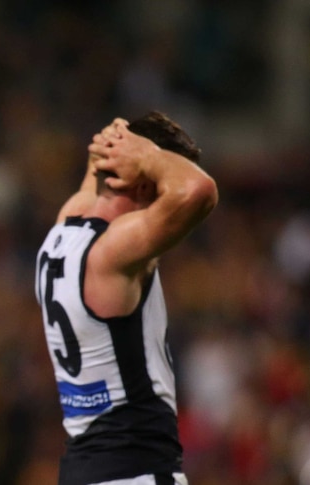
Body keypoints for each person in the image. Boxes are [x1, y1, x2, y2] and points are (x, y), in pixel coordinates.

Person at [34, 112, 218, 485]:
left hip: (82, 469)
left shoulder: (64, 226)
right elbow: (200, 192)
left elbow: (96, 180)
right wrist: (149, 156)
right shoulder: (112, 253)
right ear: (145, 185)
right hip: (138, 470)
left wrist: (114, 146)